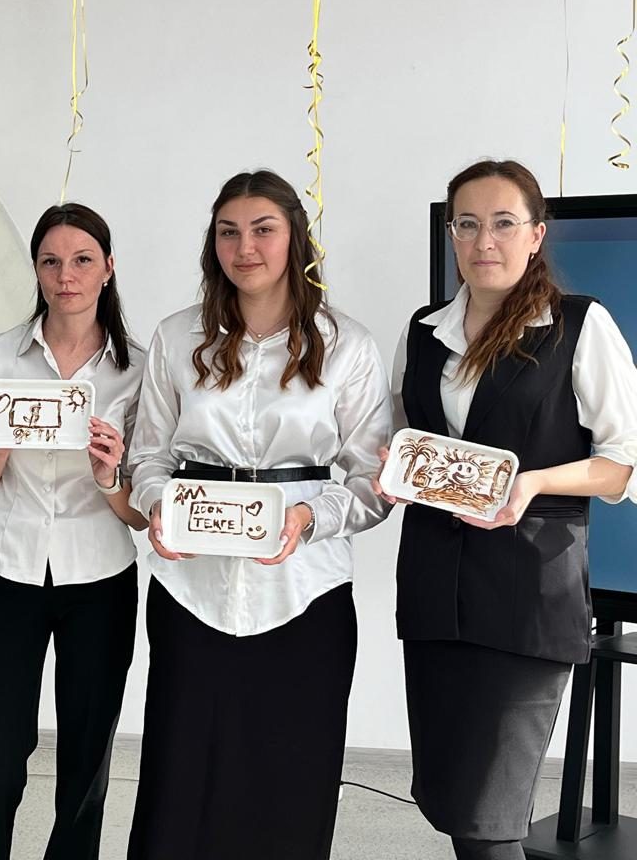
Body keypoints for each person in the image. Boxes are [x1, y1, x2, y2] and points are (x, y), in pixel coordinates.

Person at [126, 170, 392, 860]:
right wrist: (157, 508)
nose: (245, 248)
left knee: (290, 779)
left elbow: (372, 482)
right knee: (182, 777)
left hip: (305, 592)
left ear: (295, 238)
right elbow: (147, 457)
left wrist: (309, 518)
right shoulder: (176, 337)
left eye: (263, 229)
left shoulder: (348, 344)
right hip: (191, 589)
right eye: (228, 232)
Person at [382, 160, 637, 860]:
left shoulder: (579, 325)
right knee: (452, 805)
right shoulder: (424, 331)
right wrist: (391, 470)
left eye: (503, 223)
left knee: (488, 816)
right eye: (467, 224)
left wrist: (529, 484)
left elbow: (623, 462)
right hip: (435, 591)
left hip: (529, 597)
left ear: (536, 234)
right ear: (451, 234)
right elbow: (399, 440)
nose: (483, 240)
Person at [0, 203, 147, 860]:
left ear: (108, 268)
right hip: (6, 567)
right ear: (35, 270)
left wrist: (109, 474)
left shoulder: (137, 369)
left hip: (101, 574)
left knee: (87, 762)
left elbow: (141, 513)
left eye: (82, 260)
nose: (67, 276)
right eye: (52, 261)